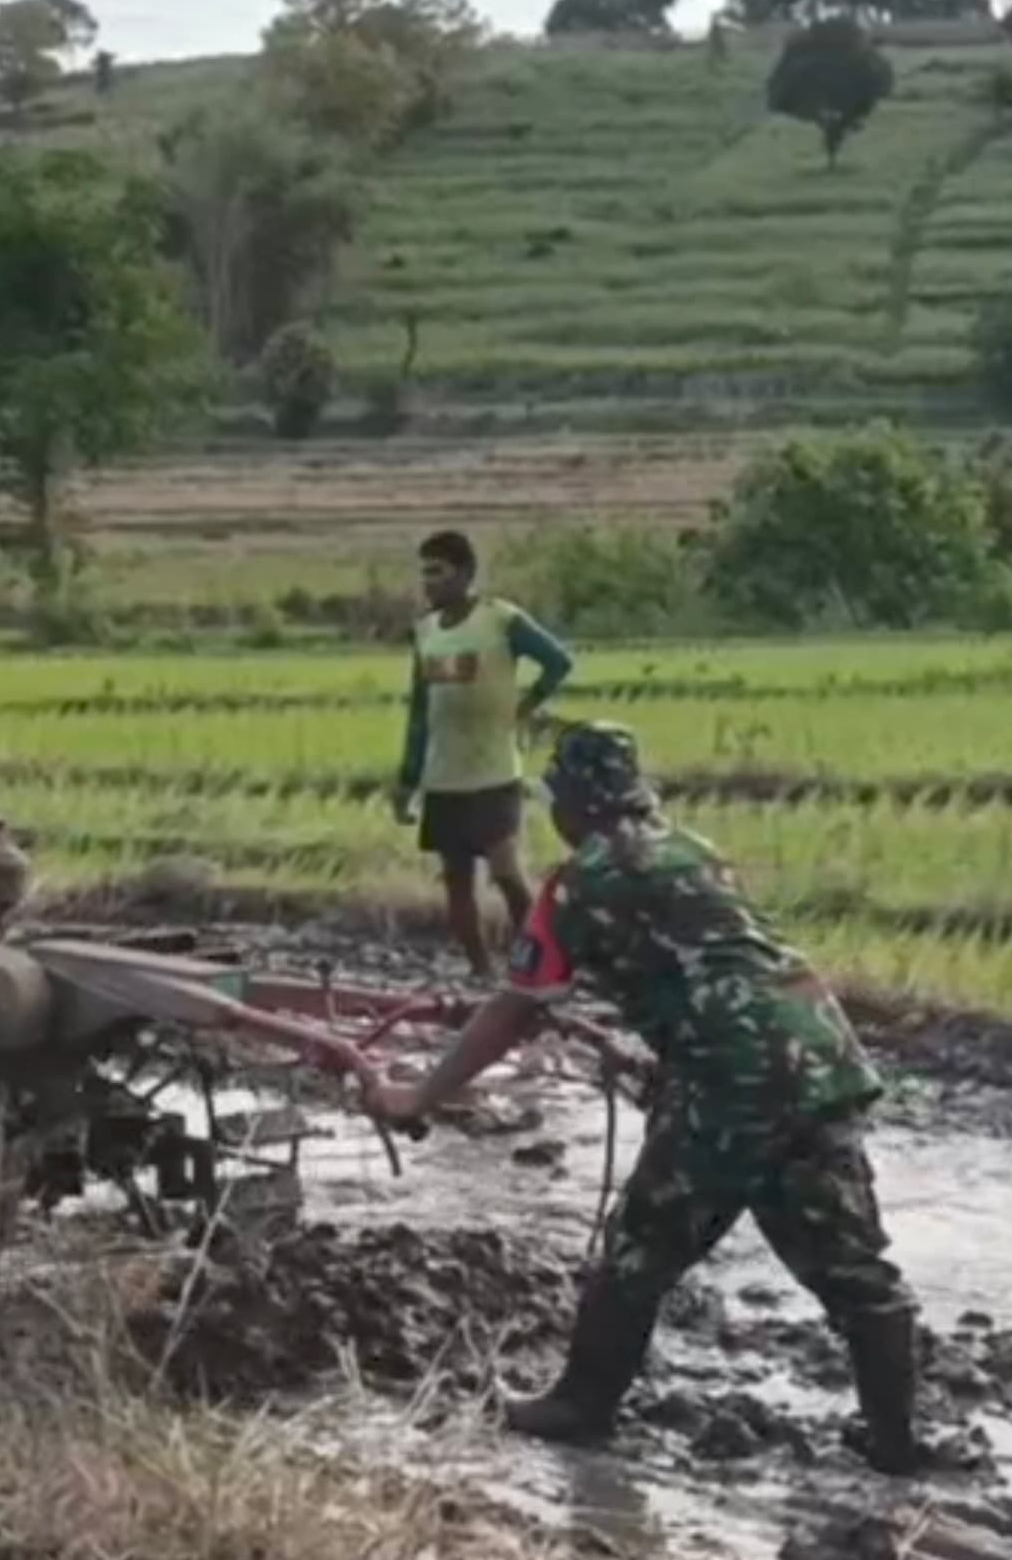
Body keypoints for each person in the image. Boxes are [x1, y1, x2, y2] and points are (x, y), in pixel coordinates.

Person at [360, 723, 929, 1475]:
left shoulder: (582, 881)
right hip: (820, 1058)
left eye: (557, 801)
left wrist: (420, 1094)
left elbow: (516, 1007)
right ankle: (897, 1442)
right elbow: (702, 969)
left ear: (575, 804)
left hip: (730, 1080)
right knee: (851, 1263)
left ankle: (579, 1406)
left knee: (639, 1247)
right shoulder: (693, 850)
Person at [393, 532, 573, 980]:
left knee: (507, 871)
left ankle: (537, 965)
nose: (429, 582)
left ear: (466, 573)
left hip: (493, 771)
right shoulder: (427, 632)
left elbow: (558, 662)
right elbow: (420, 712)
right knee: (457, 880)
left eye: (438, 572)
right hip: (443, 775)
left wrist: (526, 706)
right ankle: (480, 971)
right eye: (425, 573)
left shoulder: (500, 620)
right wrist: (408, 779)